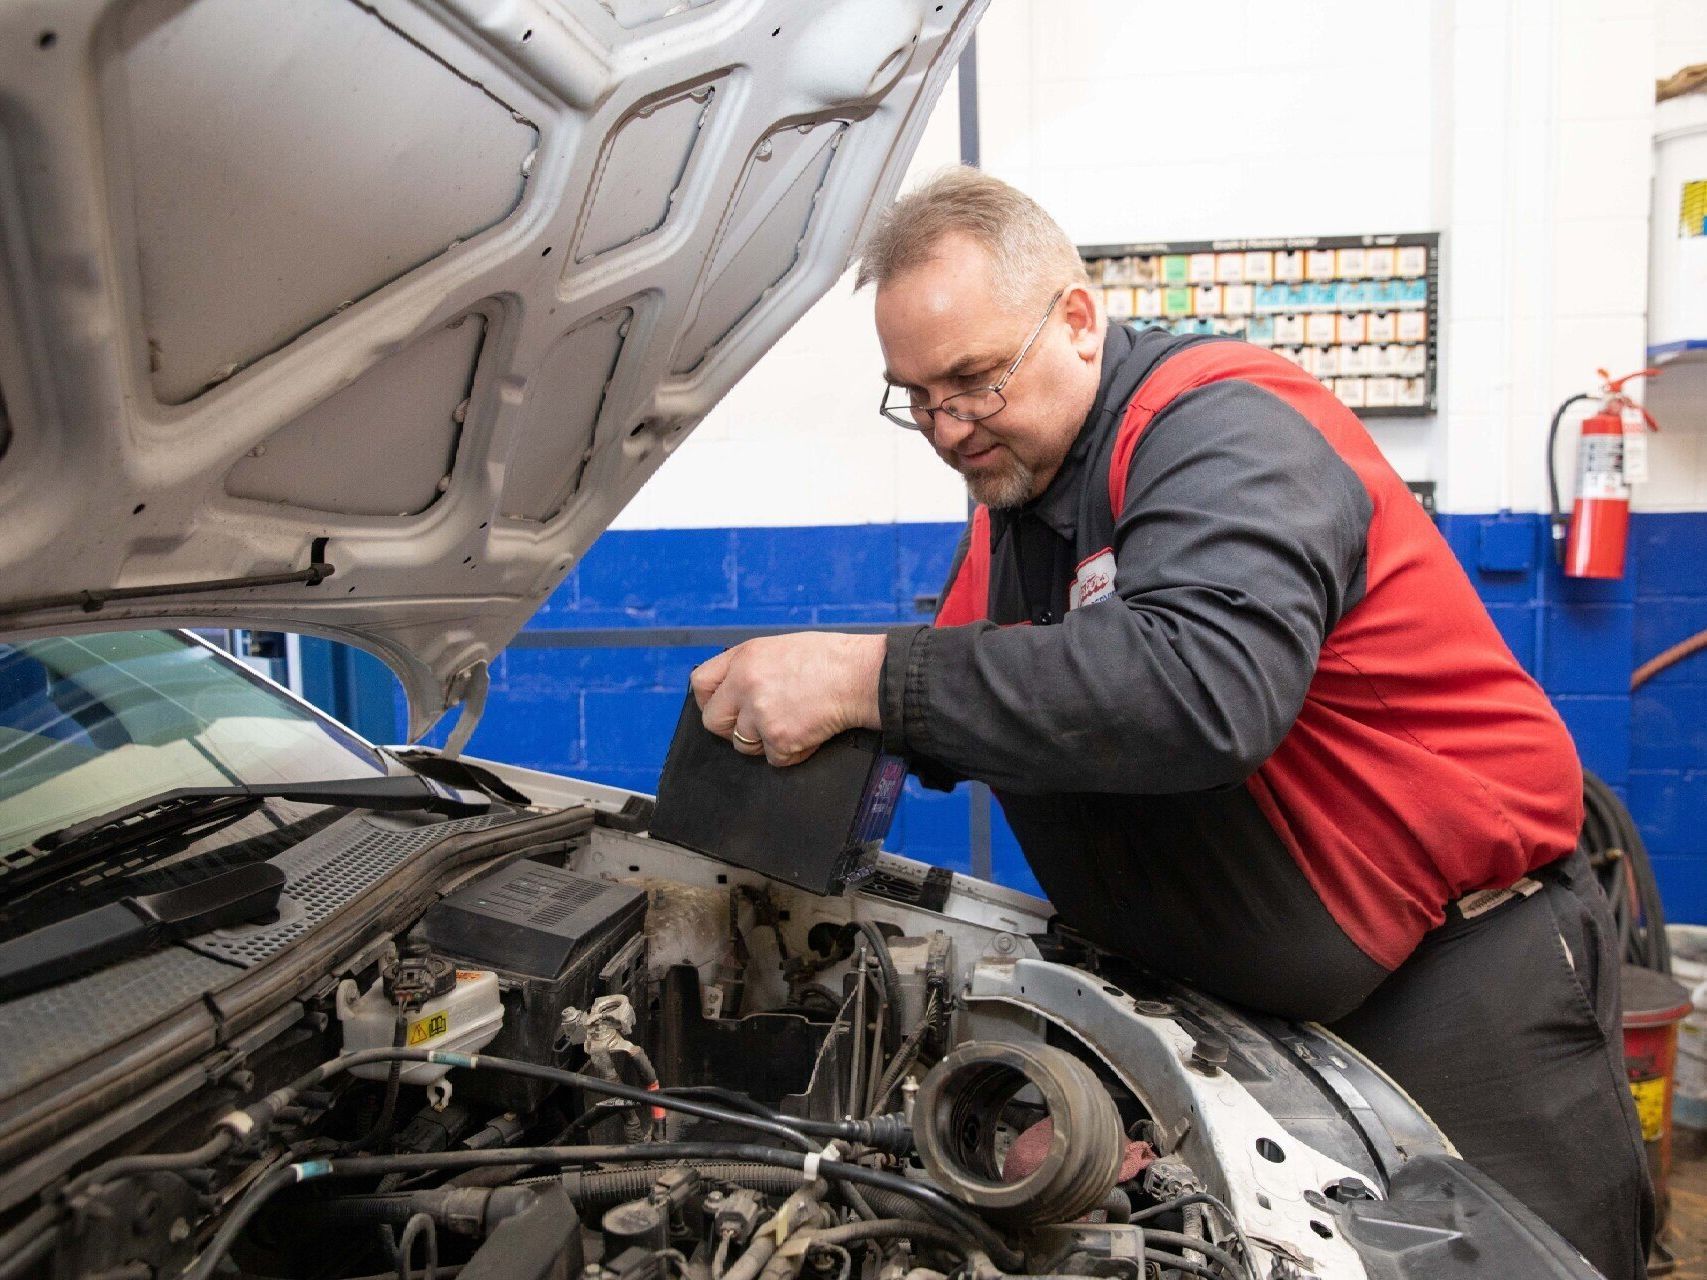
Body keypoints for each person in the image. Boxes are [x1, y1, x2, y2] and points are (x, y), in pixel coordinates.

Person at [688, 167, 1650, 1279]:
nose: (948, 428)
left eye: (973, 380)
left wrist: (865, 679)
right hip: (1248, 1020)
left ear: (1080, 319)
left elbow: (1201, 686)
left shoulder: (1226, 428)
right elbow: (968, 692)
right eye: (915, 396)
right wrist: (785, 717)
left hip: (1460, 988)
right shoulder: (1020, 500)